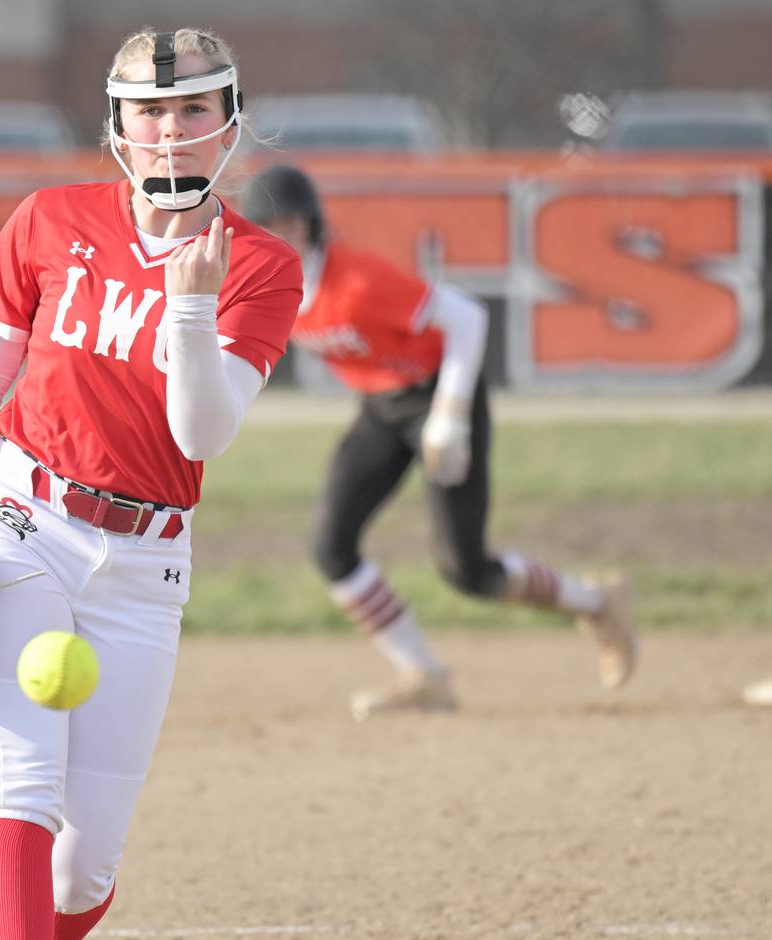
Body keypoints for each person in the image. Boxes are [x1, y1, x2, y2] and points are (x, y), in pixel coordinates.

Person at [0, 29, 302, 940]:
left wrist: (191, 307)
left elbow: (204, 433)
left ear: (229, 119)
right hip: (17, 519)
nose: (170, 130)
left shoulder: (262, 263)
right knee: (20, 789)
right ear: (118, 122)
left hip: (148, 560)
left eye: (193, 107)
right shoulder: (48, 219)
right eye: (150, 110)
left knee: (83, 872)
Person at [239, 164, 637, 721]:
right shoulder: (263, 288)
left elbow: (467, 319)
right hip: (382, 408)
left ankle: (597, 602)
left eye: (292, 223)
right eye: (267, 226)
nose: (282, 236)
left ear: (313, 225)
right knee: (331, 548)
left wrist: (450, 416)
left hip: (439, 392)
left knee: (466, 570)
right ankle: (423, 676)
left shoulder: (355, 281)